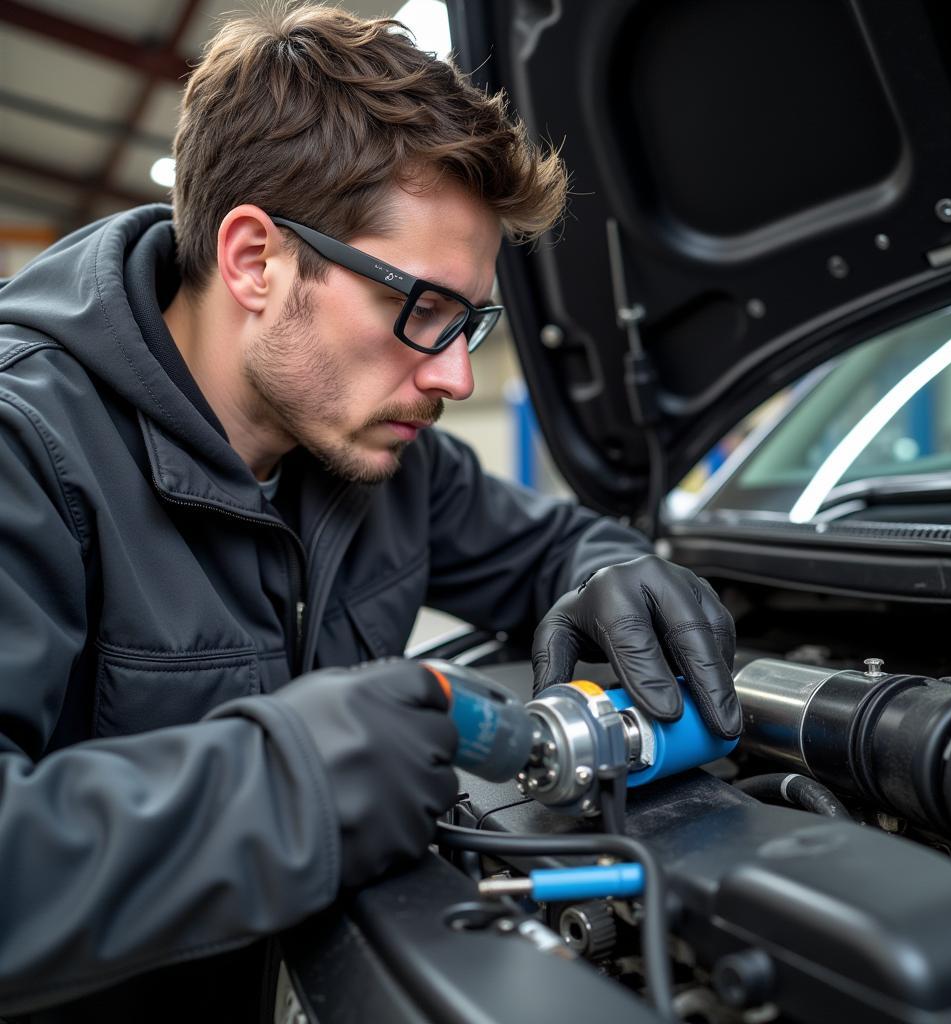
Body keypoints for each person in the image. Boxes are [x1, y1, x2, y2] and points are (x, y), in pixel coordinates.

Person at [0, 4, 739, 1020]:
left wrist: (617, 570)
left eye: (469, 320)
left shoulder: (381, 461)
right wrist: (293, 778)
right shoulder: (25, 448)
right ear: (256, 259)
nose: (454, 375)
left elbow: (555, 547)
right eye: (423, 309)